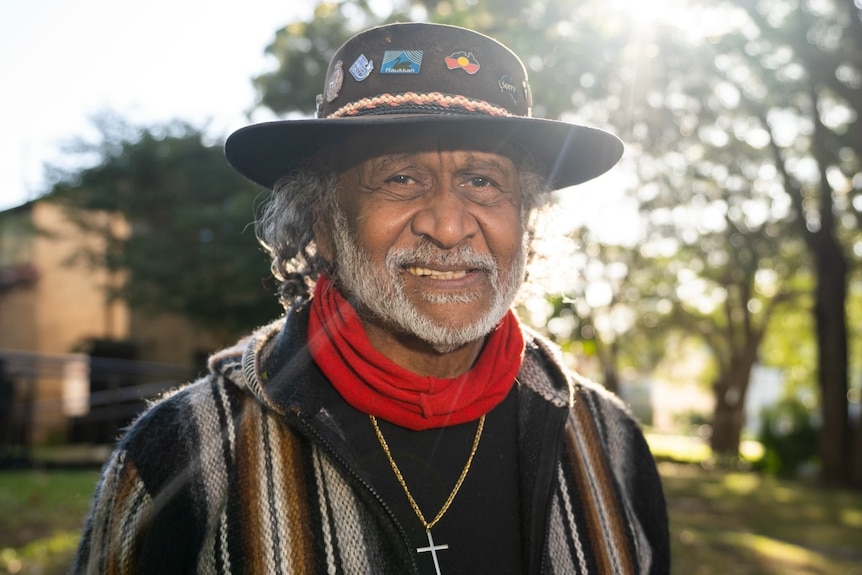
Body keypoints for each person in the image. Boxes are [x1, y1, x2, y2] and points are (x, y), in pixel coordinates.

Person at [74, 22, 669, 574]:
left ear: (525, 221)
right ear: (326, 224)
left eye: (482, 180)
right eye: (401, 178)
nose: (448, 225)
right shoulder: (182, 452)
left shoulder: (608, 441)